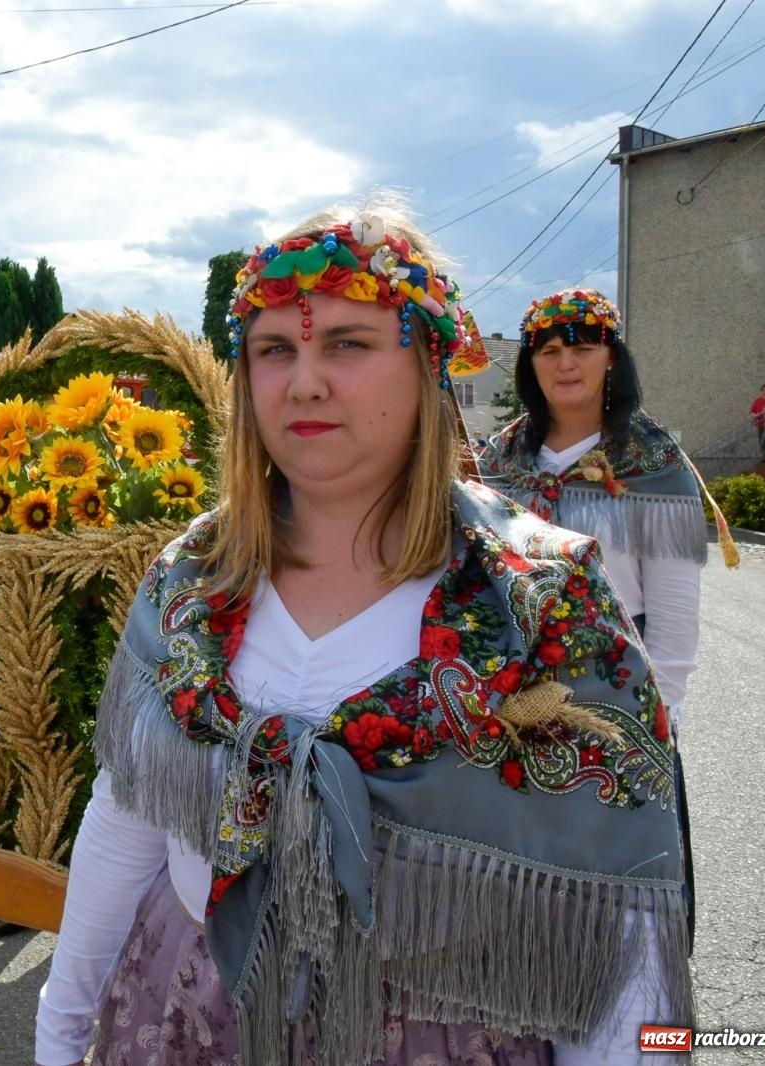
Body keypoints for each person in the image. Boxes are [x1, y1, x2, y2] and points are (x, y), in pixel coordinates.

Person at [36, 207, 692, 1066]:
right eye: (274, 349)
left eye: (346, 343)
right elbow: (126, 819)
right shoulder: (191, 580)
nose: (304, 381)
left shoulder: (541, 601)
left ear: (425, 367)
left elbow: (614, 919)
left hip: (448, 1030)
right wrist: (58, 1033)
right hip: (191, 1009)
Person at [477, 290, 711, 732]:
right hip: (508, 695)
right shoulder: (496, 464)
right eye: (550, 351)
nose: (566, 364)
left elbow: (674, 612)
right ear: (531, 364)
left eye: (583, 348)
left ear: (610, 358)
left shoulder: (653, 465)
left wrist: (661, 709)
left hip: (619, 692)